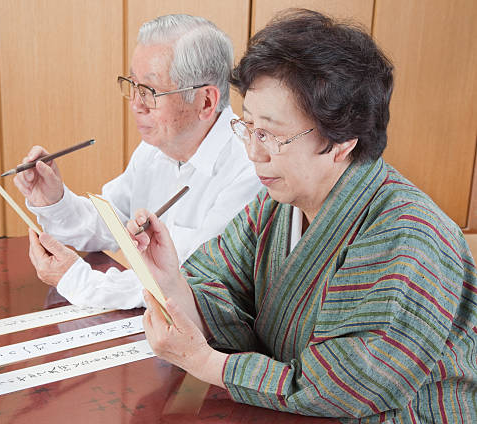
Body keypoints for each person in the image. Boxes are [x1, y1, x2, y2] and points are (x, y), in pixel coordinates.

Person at [128, 9, 477, 422]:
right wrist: (169, 277)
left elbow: (345, 387)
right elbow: (216, 284)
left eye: (272, 135)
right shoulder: (275, 206)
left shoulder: (410, 236)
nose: (254, 152)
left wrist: (206, 363)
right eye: (249, 127)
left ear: (342, 141)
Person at [15, 14, 261, 309]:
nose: (135, 104)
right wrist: (54, 199)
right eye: (132, 85)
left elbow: (184, 281)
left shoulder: (250, 168)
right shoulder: (154, 149)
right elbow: (110, 224)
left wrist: (77, 280)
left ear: (205, 101)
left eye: (150, 92)